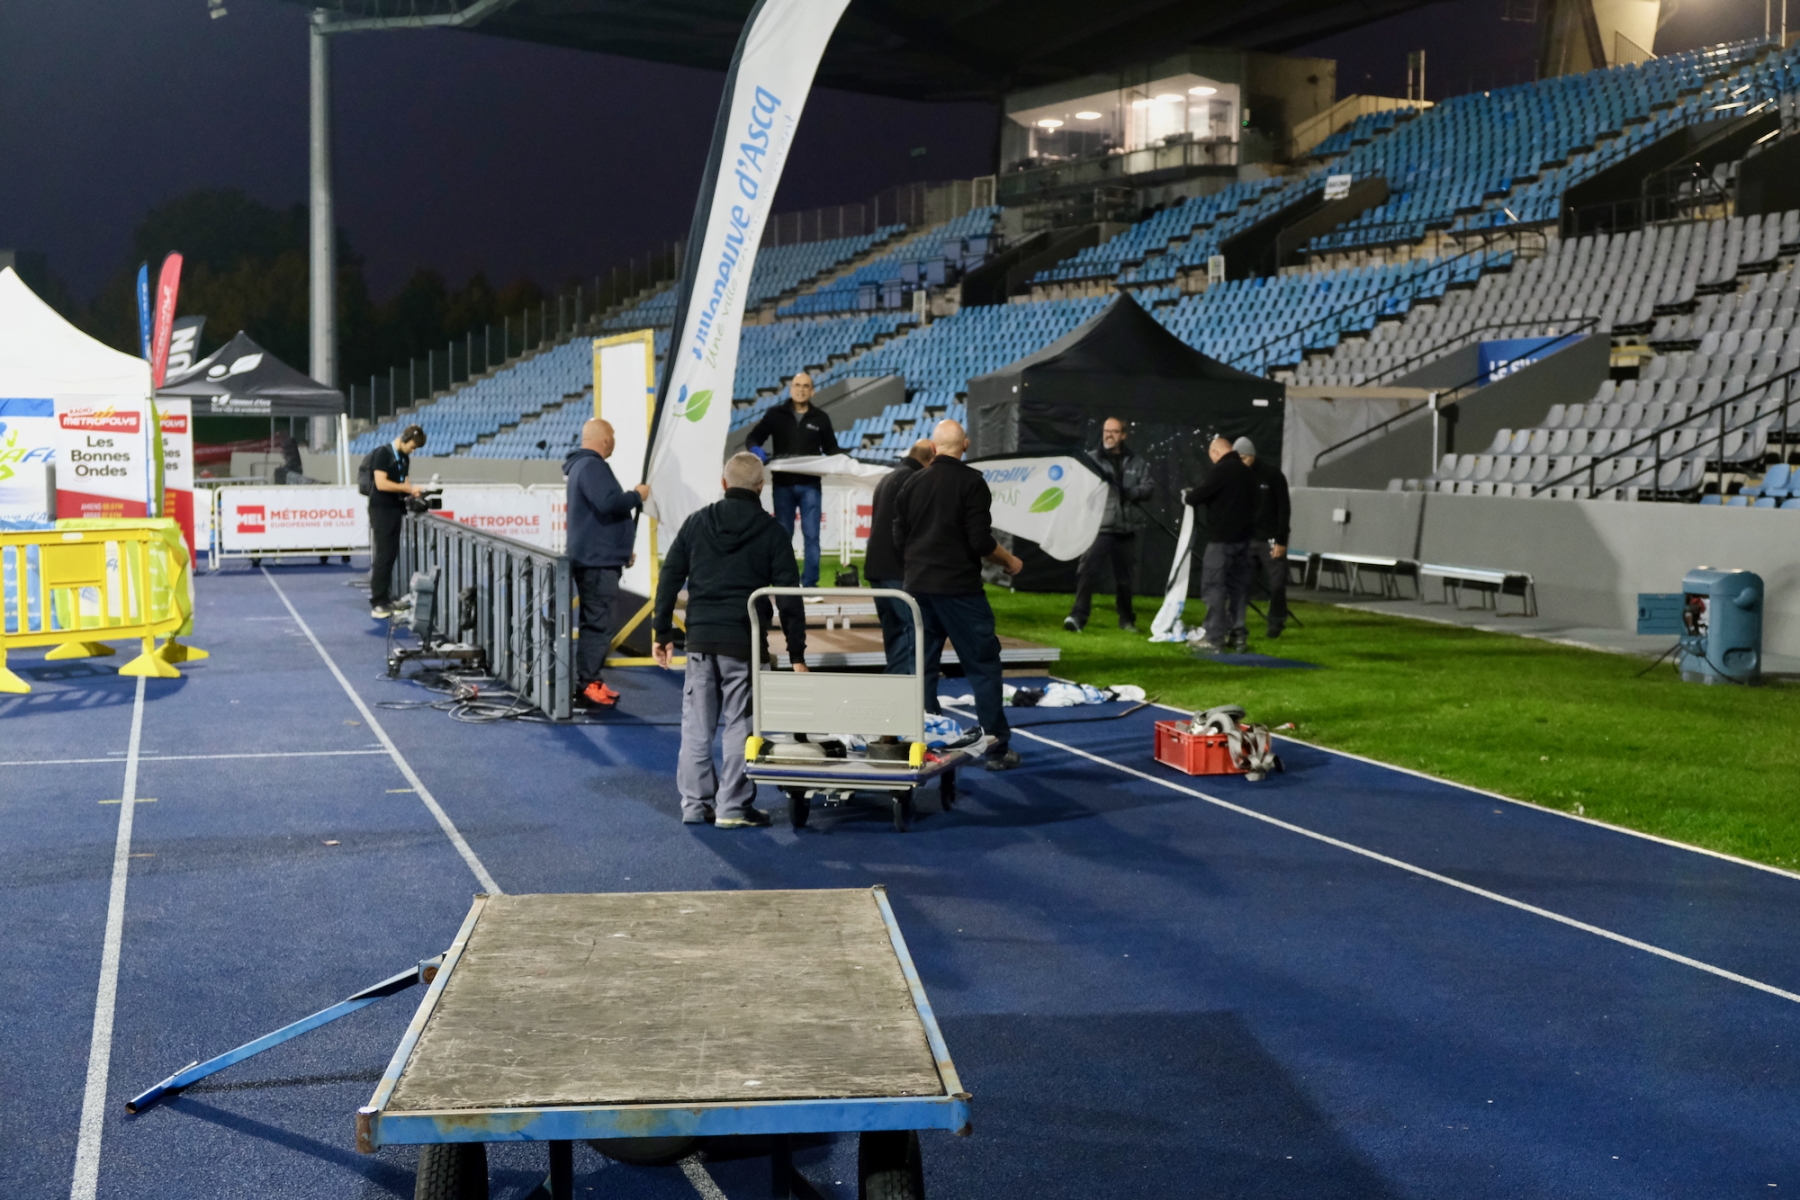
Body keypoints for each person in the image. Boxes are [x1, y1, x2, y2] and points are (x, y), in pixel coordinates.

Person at [652, 452, 809, 828]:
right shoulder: (773, 531)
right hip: (744, 642)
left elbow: (670, 576)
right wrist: (796, 654)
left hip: (701, 640)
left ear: (724, 483)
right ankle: (733, 807)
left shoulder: (697, 522)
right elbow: (789, 597)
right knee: (741, 724)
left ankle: (695, 805)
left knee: (697, 726)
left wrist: (662, 631)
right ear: (761, 487)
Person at [892, 419, 1024, 771]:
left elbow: (898, 537)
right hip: (960, 590)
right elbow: (979, 540)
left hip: (918, 589)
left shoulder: (912, 482)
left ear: (934, 448)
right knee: (983, 667)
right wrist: (1009, 560)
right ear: (965, 445)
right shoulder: (972, 482)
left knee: (922, 668)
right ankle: (996, 749)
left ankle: (925, 741)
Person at [565, 418, 649, 709]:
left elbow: (599, 516)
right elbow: (609, 503)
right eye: (612, 435)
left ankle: (589, 680)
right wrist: (637, 496)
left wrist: (619, 550)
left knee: (596, 622)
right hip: (596, 563)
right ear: (603, 439)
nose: (614, 440)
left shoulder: (583, 466)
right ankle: (587, 683)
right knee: (599, 623)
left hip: (597, 557)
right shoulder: (592, 466)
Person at [744, 372, 838, 587]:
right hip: (782, 486)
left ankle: (810, 585)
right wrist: (755, 448)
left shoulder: (821, 418)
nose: (801, 389)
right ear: (791, 389)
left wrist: (846, 461)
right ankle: (785, 583)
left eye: (805, 386)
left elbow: (832, 449)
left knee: (812, 536)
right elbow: (753, 437)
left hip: (811, 485)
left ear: (812, 391)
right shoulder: (775, 415)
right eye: (797, 385)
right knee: (783, 536)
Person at [1065, 417, 1154, 633]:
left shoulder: (1136, 461)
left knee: (1125, 580)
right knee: (1087, 572)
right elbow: (1078, 487)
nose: (1108, 435)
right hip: (1100, 528)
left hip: (1126, 529)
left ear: (1123, 435)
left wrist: (1134, 492)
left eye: (1114, 431)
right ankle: (1077, 617)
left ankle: (1127, 620)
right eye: (1106, 431)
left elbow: (1149, 487)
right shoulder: (1091, 460)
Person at [865, 438, 934, 673]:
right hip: (897, 569)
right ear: (930, 459)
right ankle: (895, 685)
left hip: (877, 568)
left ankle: (896, 684)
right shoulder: (915, 480)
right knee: (913, 630)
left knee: (894, 632)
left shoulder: (889, 477)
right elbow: (914, 529)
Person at [1184, 435, 1258, 653]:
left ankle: (1214, 637)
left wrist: (1187, 496)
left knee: (1214, 588)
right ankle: (1238, 636)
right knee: (1238, 589)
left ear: (1215, 453)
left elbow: (1198, 496)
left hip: (1222, 540)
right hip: (1245, 541)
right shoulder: (1247, 472)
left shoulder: (1222, 470)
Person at [1235, 437, 1292, 641]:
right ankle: (1236, 625)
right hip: (1246, 539)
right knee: (1240, 583)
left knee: (1277, 583)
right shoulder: (1235, 476)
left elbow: (1284, 509)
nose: (1241, 463)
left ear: (1252, 456)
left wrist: (1281, 540)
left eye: (1243, 458)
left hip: (1269, 538)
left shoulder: (1272, 475)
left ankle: (1276, 621)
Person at [367, 424, 426, 619]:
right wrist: (408, 489)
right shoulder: (382, 454)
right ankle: (377, 602)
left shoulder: (404, 457)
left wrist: (414, 492)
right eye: (413, 446)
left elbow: (405, 483)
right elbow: (381, 483)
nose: (413, 451)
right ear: (405, 439)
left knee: (390, 556)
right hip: (381, 510)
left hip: (394, 509)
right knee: (383, 557)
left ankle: (384, 599)